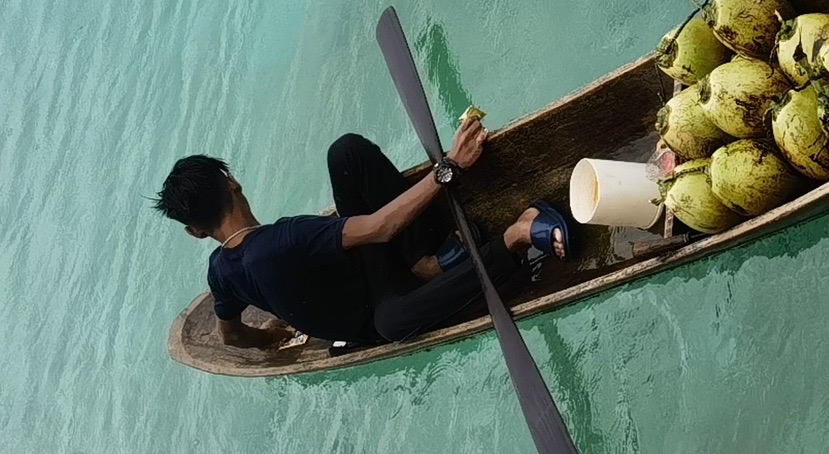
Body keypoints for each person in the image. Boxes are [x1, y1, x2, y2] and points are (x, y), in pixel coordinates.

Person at [153, 120, 572, 349]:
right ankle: (516, 234)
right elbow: (382, 227)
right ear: (234, 184)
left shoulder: (222, 274)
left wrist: (270, 338)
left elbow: (231, 335)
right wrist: (449, 166)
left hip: (378, 267)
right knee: (391, 320)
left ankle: (426, 263)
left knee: (345, 158)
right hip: (383, 297)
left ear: (195, 232)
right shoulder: (287, 239)